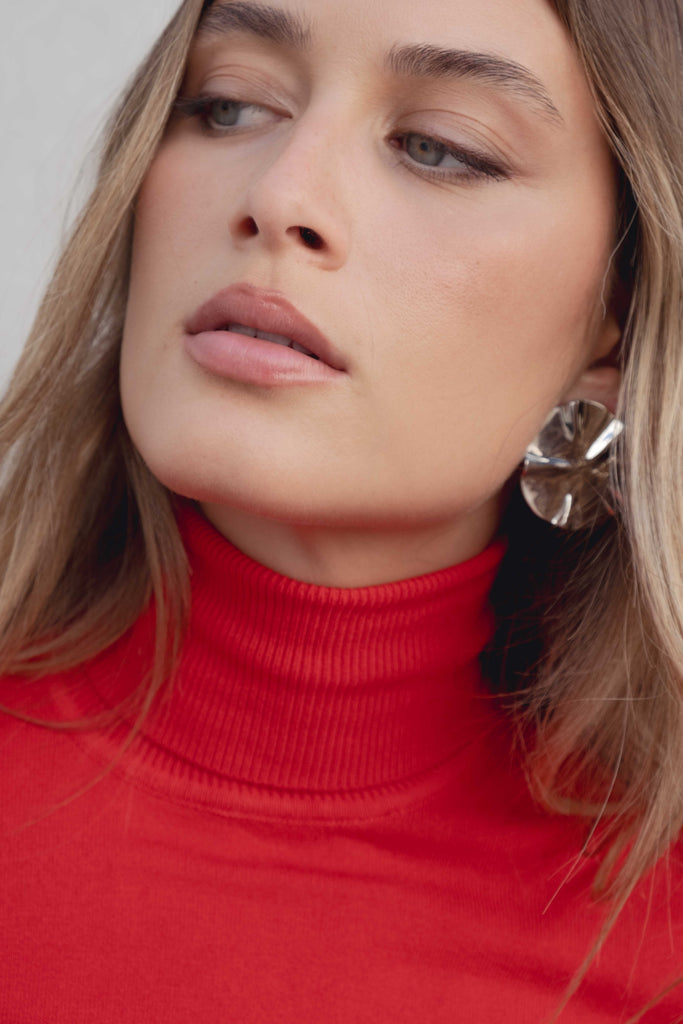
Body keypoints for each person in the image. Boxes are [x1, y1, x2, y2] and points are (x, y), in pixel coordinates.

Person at [0, 0, 681, 1019]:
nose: (279, 193)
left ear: (613, 324)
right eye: (228, 104)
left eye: (440, 147)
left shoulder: (653, 945)